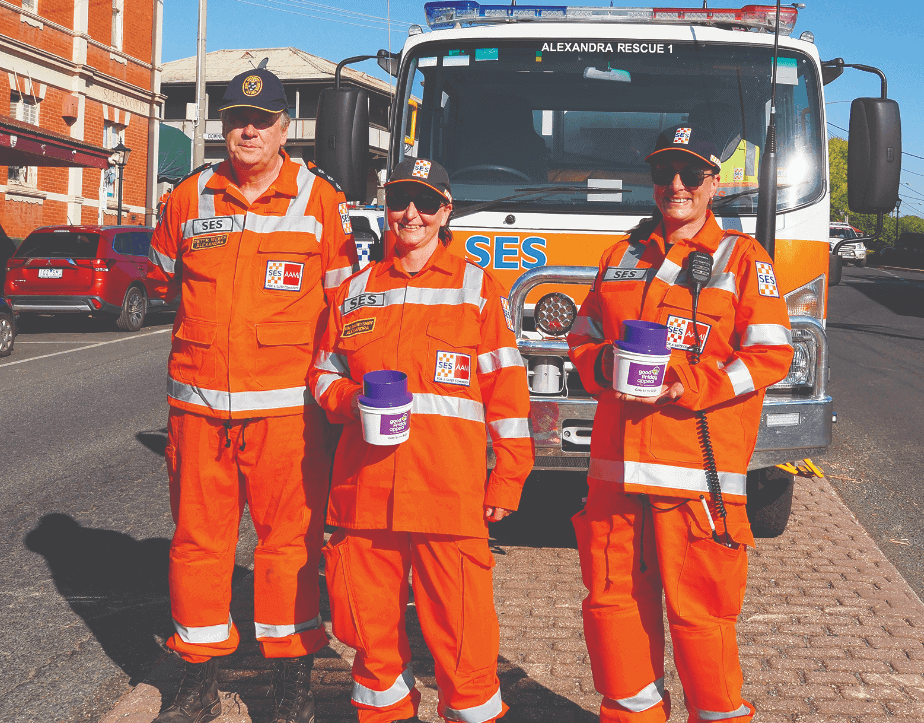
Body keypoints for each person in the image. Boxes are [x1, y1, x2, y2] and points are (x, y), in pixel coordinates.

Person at [147, 68, 358, 723]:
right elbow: (160, 282)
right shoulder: (186, 197)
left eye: (262, 120)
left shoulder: (320, 200)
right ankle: (196, 683)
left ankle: (290, 687)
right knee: (195, 547)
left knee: (287, 549)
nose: (248, 130)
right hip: (199, 412)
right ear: (223, 124)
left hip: (286, 417)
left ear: (284, 129)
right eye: (238, 117)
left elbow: (344, 307)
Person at [566, 124, 794, 723]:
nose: (676, 186)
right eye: (664, 173)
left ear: (713, 184)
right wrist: (603, 363)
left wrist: (691, 385)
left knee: (701, 621)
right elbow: (584, 334)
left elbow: (771, 354)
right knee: (612, 610)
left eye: (690, 175)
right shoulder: (620, 255)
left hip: (696, 477)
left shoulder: (744, 259)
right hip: (614, 476)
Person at [307, 157, 534, 723]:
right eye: (400, 201)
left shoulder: (476, 287)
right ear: (384, 209)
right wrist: (347, 401)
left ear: (445, 212)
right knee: (369, 642)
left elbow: (506, 393)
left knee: (464, 643)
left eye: (425, 203)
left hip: (446, 495)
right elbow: (323, 373)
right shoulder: (354, 290)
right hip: (365, 495)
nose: (411, 213)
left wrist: (507, 477)